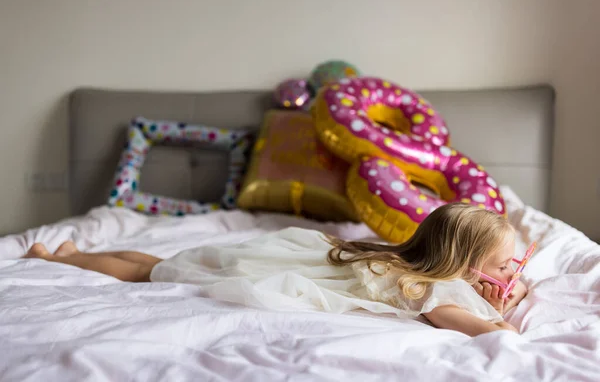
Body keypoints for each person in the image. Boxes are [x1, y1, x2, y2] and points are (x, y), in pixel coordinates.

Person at [23, 203, 528, 336]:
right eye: (503, 266)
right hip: (275, 276)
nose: (511, 274)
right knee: (148, 273)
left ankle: (72, 253)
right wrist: (499, 315)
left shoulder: (410, 262)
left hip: (290, 259)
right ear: (463, 265)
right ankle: (59, 258)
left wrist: (501, 288)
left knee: (164, 264)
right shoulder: (440, 294)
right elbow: (481, 329)